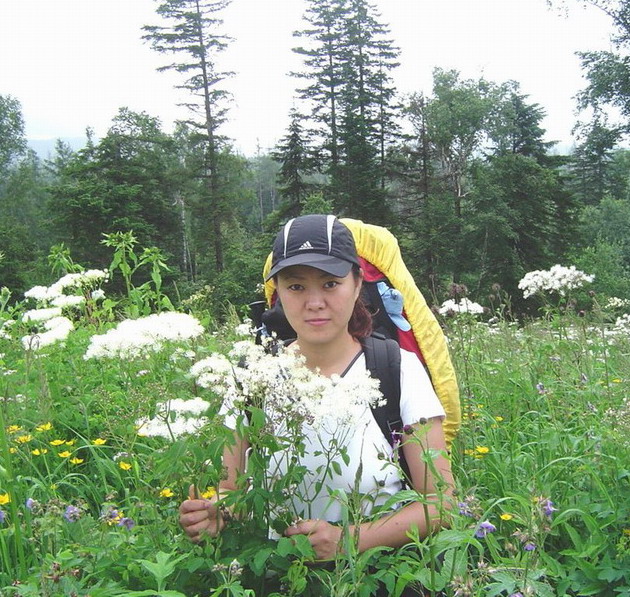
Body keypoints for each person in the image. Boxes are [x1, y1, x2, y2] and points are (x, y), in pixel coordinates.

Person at [179, 215, 454, 587]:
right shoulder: (251, 377)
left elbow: (441, 503)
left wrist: (349, 540)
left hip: (375, 578)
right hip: (274, 579)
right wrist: (217, 514)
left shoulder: (397, 369)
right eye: (296, 286)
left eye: (330, 283)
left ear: (357, 285)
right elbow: (230, 491)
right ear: (277, 292)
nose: (314, 302)